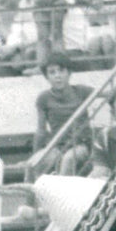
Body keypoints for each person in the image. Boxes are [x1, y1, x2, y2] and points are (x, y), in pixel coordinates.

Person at [31, 51, 94, 179]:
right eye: (52, 72)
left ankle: (62, 195)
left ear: (69, 72)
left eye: (61, 71)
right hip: (58, 146)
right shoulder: (44, 98)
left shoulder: (81, 91)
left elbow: (108, 93)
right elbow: (41, 131)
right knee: (33, 163)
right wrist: (37, 154)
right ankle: (29, 195)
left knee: (68, 159)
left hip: (81, 145)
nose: (57, 76)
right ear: (47, 76)